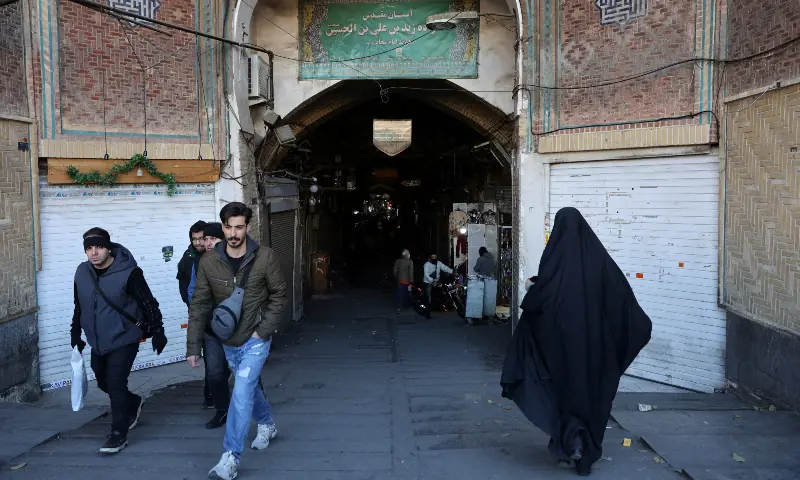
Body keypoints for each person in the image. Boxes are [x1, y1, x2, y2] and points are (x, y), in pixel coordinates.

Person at [500, 207, 652, 476]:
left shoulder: (554, 264)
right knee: (588, 393)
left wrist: (530, 287)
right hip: (594, 348)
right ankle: (582, 445)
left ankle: (570, 442)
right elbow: (621, 300)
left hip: (559, 348)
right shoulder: (599, 262)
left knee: (562, 392)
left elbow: (540, 300)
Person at [187, 202, 288, 480]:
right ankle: (266, 424)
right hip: (227, 340)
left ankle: (230, 457)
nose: (233, 233)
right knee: (249, 386)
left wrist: (263, 330)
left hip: (255, 338)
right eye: (228, 227)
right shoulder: (209, 261)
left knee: (241, 392)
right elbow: (200, 303)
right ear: (222, 227)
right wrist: (193, 346)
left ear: (248, 227)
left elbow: (279, 295)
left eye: (239, 227)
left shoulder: (265, 257)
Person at [70, 227, 168, 454]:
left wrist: (158, 330)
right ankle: (133, 402)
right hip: (98, 340)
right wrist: (75, 333)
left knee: (115, 383)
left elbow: (148, 303)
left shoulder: (129, 272)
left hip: (125, 337)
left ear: (109, 248)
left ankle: (118, 434)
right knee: (103, 382)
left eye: (99, 247)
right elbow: (79, 305)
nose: (94, 253)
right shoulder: (82, 272)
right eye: (89, 248)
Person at [199, 222, 232, 430]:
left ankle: (259, 411)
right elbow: (195, 296)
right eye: (206, 239)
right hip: (211, 329)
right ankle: (222, 411)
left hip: (238, 328)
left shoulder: (235, 261)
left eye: (213, 239)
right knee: (214, 373)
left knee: (247, 374)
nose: (209, 243)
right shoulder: (202, 262)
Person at [177, 220, 212, 408]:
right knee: (210, 356)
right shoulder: (188, 258)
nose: (198, 243)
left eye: (202, 238)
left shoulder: (213, 255)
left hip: (219, 316)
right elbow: (186, 289)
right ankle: (210, 395)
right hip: (200, 313)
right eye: (195, 239)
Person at [393, 249, 414, 314]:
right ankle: (407, 306)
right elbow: (411, 272)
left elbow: (394, 271)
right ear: (406, 254)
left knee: (399, 294)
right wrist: (411, 281)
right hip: (407, 281)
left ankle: (398, 308)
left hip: (400, 281)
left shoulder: (397, 261)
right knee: (407, 294)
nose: (409, 254)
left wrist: (398, 278)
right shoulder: (410, 261)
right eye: (408, 253)